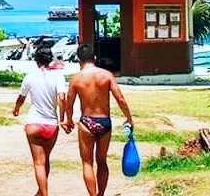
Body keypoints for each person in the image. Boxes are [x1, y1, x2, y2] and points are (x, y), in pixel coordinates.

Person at [65, 43, 134, 196]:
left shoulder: (76, 79)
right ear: (94, 58)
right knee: (102, 161)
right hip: (104, 121)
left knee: (87, 162)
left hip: (86, 122)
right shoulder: (106, 75)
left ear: (79, 60)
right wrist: (129, 118)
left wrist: (68, 120)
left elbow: (69, 104)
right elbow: (120, 99)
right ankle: (101, 194)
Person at [13, 46, 66, 196]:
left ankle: (44, 194)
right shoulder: (58, 76)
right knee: (45, 160)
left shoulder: (30, 76)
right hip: (51, 124)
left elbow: (21, 97)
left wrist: (16, 109)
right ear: (50, 60)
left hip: (34, 123)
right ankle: (41, 192)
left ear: (36, 60)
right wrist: (62, 119)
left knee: (38, 162)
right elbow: (62, 98)